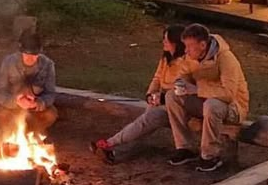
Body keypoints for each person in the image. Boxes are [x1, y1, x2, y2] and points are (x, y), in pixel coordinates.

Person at [90, 25, 186, 164]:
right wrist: (150, 94)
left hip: (176, 106)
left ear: (176, 43)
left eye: (166, 40)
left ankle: (111, 144)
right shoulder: (166, 59)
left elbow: (181, 89)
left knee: (148, 119)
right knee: (144, 122)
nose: (163, 42)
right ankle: (114, 150)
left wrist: (162, 98)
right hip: (161, 101)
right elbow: (157, 78)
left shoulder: (185, 63)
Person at [165, 22, 249, 173]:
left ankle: (210, 156)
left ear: (203, 45)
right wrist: (181, 82)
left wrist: (197, 89)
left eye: (189, 46)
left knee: (212, 105)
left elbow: (228, 94)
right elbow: (184, 75)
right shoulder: (191, 57)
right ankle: (185, 148)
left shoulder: (225, 59)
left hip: (233, 107)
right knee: (172, 96)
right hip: (205, 102)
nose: (186, 50)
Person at [0, 34, 57, 137]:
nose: (30, 58)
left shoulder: (48, 65)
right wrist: (16, 101)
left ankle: (33, 136)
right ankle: (11, 137)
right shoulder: (9, 62)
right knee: (1, 113)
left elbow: (50, 93)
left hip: (35, 106)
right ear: (21, 52)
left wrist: (38, 103)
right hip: (12, 105)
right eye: (27, 55)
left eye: (34, 55)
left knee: (51, 114)